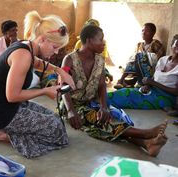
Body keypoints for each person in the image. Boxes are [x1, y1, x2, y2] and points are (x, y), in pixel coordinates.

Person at [0, 11, 76, 159]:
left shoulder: (27, 46)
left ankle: (10, 131)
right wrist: (45, 91)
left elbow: (37, 63)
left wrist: (60, 71)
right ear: (42, 39)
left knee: (57, 121)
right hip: (0, 113)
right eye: (55, 47)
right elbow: (12, 96)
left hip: (11, 106)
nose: (56, 52)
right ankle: (4, 135)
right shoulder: (23, 55)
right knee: (58, 136)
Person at [61, 24, 167, 157]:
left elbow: (101, 86)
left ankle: (147, 144)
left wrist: (104, 107)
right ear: (89, 41)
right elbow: (63, 87)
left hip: (92, 103)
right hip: (72, 105)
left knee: (112, 117)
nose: (103, 43)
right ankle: (145, 134)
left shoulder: (100, 60)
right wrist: (71, 111)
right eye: (100, 39)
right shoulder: (69, 59)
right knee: (98, 120)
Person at [108, 34, 178, 110]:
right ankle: (103, 99)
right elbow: (154, 78)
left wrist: (153, 83)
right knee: (126, 92)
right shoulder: (163, 60)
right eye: (177, 44)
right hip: (153, 90)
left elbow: (176, 92)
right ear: (172, 45)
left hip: (166, 97)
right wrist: (148, 85)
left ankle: (103, 101)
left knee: (129, 98)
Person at [114, 23, 165, 89]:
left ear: (153, 33)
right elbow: (133, 60)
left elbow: (159, 60)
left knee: (139, 56)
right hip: (139, 70)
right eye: (143, 30)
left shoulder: (155, 44)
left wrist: (144, 58)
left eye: (147, 31)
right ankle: (123, 81)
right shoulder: (139, 45)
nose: (143, 33)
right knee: (134, 57)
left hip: (151, 70)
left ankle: (123, 82)